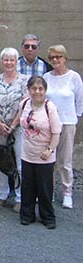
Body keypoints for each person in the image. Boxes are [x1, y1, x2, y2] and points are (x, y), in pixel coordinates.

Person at [43, 45, 83, 209]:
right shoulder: (46, 76)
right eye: (52, 57)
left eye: (58, 57)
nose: (55, 60)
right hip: (48, 124)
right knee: (48, 159)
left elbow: (79, 101)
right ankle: (49, 191)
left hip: (67, 123)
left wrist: (75, 118)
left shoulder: (74, 77)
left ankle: (67, 192)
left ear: (65, 58)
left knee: (64, 160)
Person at [19, 76, 61, 229]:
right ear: (29, 90)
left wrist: (49, 150)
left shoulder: (50, 108)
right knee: (28, 187)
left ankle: (48, 217)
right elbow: (21, 122)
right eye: (34, 88)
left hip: (45, 155)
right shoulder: (24, 104)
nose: (37, 92)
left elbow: (56, 132)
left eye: (40, 89)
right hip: (27, 153)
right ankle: (27, 215)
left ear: (45, 90)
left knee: (44, 188)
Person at [0, 47, 28, 213]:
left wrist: (12, 125)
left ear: (16, 61)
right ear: (1, 61)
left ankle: (20, 197)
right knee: (1, 162)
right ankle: (2, 195)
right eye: (5, 59)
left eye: (12, 60)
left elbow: (25, 106)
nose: (8, 62)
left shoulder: (24, 81)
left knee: (19, 163)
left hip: (18, 128)